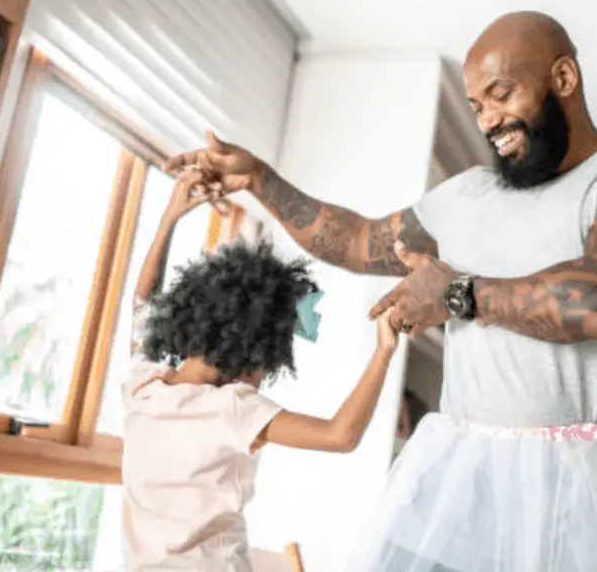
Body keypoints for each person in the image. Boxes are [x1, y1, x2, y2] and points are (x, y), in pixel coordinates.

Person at [166, 11, 597, 570]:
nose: (488, 121)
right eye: (477, 105)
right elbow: (357, 242)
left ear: (563, 79)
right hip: (457, 479)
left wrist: (458, 294)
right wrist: (261, 178)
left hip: (584, 494)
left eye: (501, 94)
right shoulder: (466, 195)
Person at [121, 167, 401, 572]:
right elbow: (340, 436)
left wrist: (170, 216)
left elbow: (143, 302)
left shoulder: (143, 386)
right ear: (252, 350)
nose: (264, 375)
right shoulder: (232, 407)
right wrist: (384, 350)